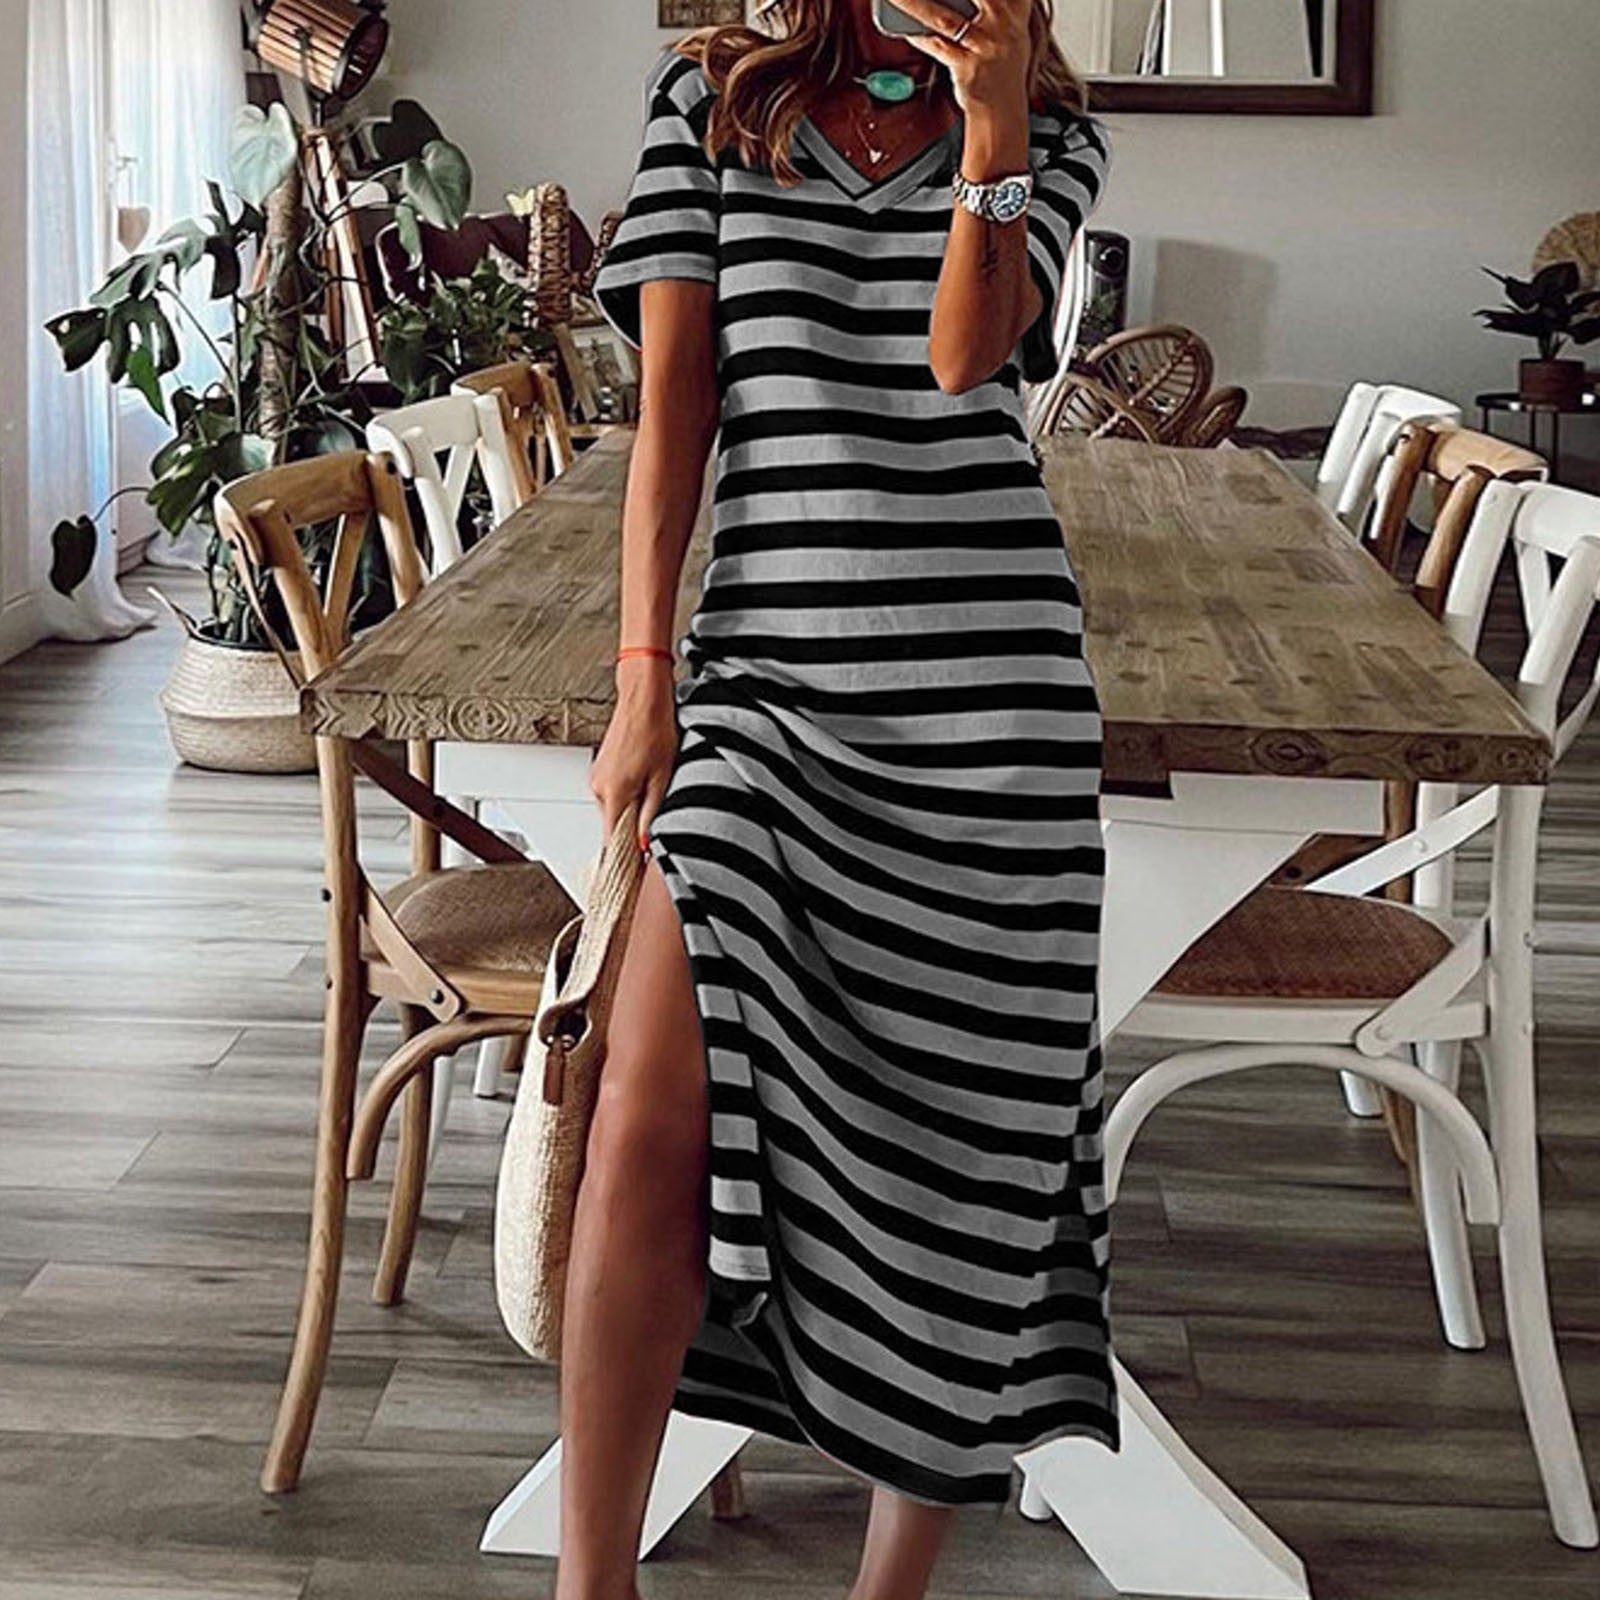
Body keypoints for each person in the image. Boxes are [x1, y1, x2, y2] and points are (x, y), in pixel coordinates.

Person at [568, 1, 1112, 1595]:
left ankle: (893, 1583)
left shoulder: (1053, 128)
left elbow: (966, 355)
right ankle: (589, 1580)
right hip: (768, 688)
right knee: (646, 1105)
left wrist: (993, 129)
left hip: (993, 715)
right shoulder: (710, 104)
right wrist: (644, 679)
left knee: (965, 1135)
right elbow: (678, 406)